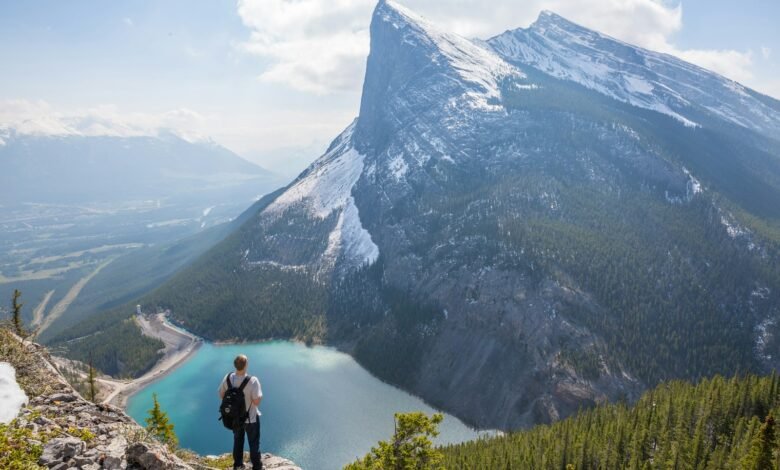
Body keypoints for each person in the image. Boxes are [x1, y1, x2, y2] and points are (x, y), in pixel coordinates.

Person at [218, 354, 263, 469]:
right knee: (253, 443)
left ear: (235, 365)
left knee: (238, 440)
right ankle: (257, 466)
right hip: (251, 418)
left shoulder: (228, 378)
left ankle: (238, 465)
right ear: (246, 365)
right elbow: (257, 401)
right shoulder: (252, 381)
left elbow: (221, 395)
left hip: (235, 418)